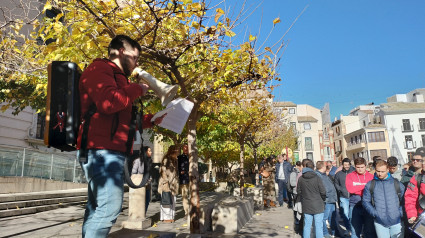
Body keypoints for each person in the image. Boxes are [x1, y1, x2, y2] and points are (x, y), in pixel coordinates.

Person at [77, 35, 165, 238]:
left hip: (108, 151)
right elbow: (108, 103)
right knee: (109, 208)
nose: (137, 63)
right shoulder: (99, 69)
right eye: (136, 57)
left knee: (96, 208)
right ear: (122, 52)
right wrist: (137, 89)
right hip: (100, 151)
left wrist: (151, 120)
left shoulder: (117, 77)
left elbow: (121, 116)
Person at [362, 160, 405, 238]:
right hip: (380, 222)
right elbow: (365, 201)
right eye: (378, 171)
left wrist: (399, 213)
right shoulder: (370, 185)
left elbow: (405, 201)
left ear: (388, 170)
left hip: (397, 221)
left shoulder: (397, 184)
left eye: (382, 171)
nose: (380, 174)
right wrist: (375, 213)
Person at [346, 157, 376, 238]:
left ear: (365, 166)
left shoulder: (371, 176)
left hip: (368, 206)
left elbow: (373, 190)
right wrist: (365, 186)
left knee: (369, 231)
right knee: (355, 232)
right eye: (358, 167)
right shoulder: (350, 176)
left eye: (362, 167)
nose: (360, 169)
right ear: (355, 167)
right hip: (354, 206)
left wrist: (357, 186)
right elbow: (350, 189)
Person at [297, 159, 326, 238]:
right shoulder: (317, 177)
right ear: (313, 168)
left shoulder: (301, 178)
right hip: (318, 204)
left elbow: (298, 191)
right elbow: (323, 191)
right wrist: (322, 199)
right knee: (318, 226)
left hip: (306, 204)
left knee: (307, 225)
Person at [316, 161, 338, 238]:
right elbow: (322, 188)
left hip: (331, 199)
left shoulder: (324, 175)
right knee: (324, 218)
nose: (327, 167)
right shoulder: (318, 176)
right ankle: (325, 233)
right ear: (322, 167)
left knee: (333, 217)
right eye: (325, 166)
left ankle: (334, 232)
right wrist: (327, 195)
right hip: (327, 200)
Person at [158, 145, 180, 223]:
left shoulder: (175, 160)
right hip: (166, 183)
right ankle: (165, 218)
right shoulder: (166, 159)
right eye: (177, 150)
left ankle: (171, 216)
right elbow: (162, 170)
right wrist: (165, 181)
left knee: (173, 200)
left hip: (174, 184)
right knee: (166, 199)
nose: (178, 151)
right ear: (173, 151)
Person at [404, 147, 425, 226]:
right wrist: (412, 215)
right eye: (422, 161)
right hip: (422, 216)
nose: (423, 164)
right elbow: (410, 198)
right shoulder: (416, 178)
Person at [334, 158, 354, 236]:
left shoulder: (353, 173)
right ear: (342, 165)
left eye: (348, 165)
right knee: (345, 213)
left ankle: (353, 229)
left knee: (352, 214)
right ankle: (348, 229)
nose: (347, 166)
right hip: (343, 197)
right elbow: (336, 183)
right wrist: (341, 190)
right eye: (345, 165)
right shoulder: (338, 174)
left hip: (353, 196)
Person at [131, 146, 153, 213]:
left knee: (147, 200)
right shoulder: (138, 161)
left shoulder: (149, 160)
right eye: (149, 151)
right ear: (145, 152)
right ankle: (139, 214)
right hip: (140, 184)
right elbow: (133, 172)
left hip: (147, 184)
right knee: (140, 200)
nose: (151, 152)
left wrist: (150, 179)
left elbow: (150, 172)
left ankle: (144, 214)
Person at [177, 144, 189, 218]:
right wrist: (180, 172)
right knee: (184, 196)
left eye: (187, 148)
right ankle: (187, 212)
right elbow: (177, 169)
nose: (186, 149)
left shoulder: (193, 157)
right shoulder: (180, 158)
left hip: (192, 179)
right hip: (183, 180)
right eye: (184, 148)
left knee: (192, 196)